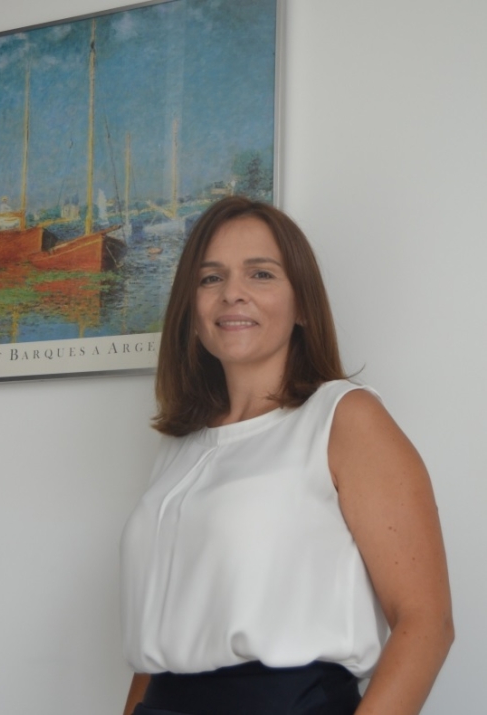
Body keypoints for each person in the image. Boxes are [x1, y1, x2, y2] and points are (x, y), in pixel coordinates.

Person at [120, 197, 453, 715]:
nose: (232, 292)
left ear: (302, 306)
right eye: (210, 278)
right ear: (191, 311)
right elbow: (162, 640)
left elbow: (426, 623)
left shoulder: (344, 418)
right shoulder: (179, 447)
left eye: (261, 274)